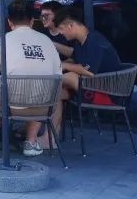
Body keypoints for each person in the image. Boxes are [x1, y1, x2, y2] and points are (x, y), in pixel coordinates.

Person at [0, 0, 61, 156]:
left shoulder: (3, 40)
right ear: (32, 21)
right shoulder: (47, 41)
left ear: (9, 22)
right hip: (44, 107)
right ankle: (31, 142)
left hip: (9, 107)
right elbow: (58, 73)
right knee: (42, 88)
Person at [49, 7, 123, 142]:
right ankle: (50, 138)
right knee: (56, 93)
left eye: (61, 29)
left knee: (68, 77)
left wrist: (63, 66)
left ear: (71, 26)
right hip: (94, 88)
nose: (60, 33)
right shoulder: (81, 42)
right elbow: (74, 56)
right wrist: (53, 50)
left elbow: (88, 71)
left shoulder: (94, 41)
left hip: (108, 95)